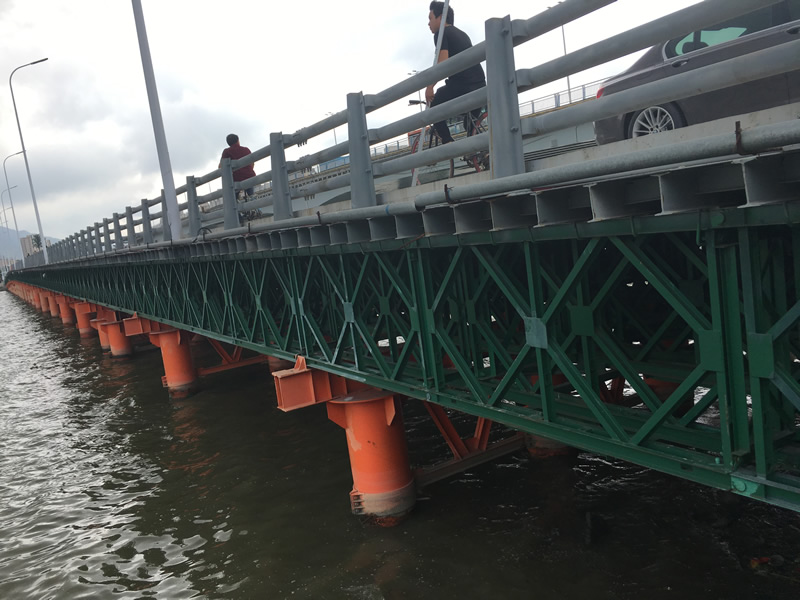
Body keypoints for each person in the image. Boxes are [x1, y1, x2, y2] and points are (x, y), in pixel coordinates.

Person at [425, 1, 486, 144]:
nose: (428, 23)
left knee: (435, 104)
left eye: (430, 18)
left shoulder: (441, 34)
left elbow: (443, 64)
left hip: (463, 86)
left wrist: (429, 86)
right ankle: (478, 150)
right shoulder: (462, 34)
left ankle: (449, 144)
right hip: (480, 85)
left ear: (441, 18)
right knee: (469, 125)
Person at [219, 134, 256, 198]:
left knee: (234, 199)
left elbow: (221, 167)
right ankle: (253, 199)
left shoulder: (226, 152)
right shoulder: (246, 149)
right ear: (238, 141)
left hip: (236, 179)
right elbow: (252, 163)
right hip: (249, 176)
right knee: (252, 195)